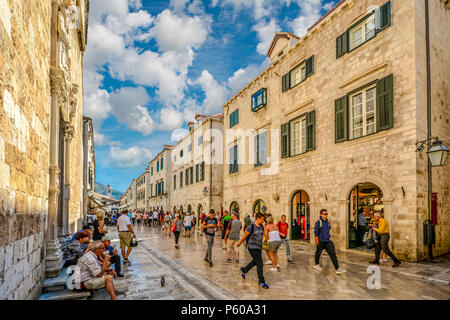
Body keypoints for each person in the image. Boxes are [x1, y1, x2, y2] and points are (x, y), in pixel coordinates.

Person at [237, 212, 269, 289]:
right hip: (252, 247)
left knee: (255, 261)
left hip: (259, 247)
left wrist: (264, 226)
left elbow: (266, 235)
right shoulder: (250, 227)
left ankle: (244, 270)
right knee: (260, 263)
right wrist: (239, 243)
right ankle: (261, 281)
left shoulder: (261, 226)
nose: (263, 220)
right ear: (258, 218)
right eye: (262, 219)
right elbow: (244, 236)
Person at [313, 209, 346, 274]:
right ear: (321, 214)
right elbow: (316, 233)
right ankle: (316, 264)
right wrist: (317, 243)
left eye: (327, 214)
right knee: (318, 253)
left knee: (333, 254)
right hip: (321, 241)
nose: (326, 215)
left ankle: (337, 268)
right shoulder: (318, 222)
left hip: (327, 241)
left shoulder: (327, 222)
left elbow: (328, 229)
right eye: (324, 214)